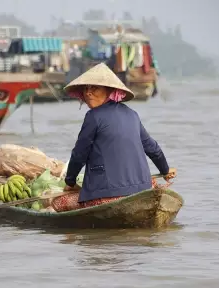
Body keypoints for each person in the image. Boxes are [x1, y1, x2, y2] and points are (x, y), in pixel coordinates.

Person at [52, 62, 176, 212]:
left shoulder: (93, 116)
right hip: (142, 191)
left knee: (57, 203)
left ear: (109, 91)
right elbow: (152, 148)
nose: (88, 93)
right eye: (86, 89)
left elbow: (80, 154)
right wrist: (165, 169)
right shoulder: (132, 114)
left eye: (95, 88)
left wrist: (70, 182)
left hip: (106, 194)